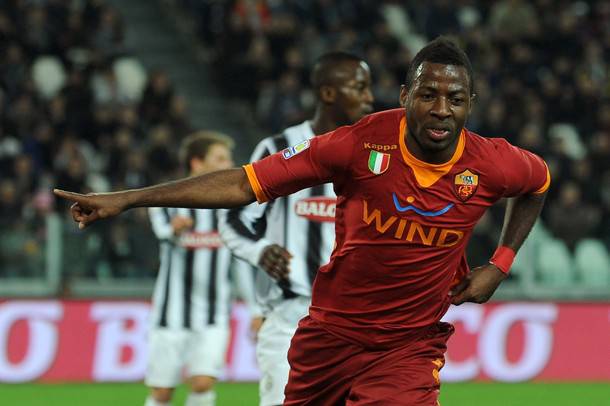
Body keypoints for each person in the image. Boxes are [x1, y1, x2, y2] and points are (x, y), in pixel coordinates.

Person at [55, 37, 550, 405]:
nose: (441, 110)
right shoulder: (359, 144)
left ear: (471, 104)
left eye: (455, 99)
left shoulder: (493, 163)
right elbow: (244, 184)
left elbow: (539, 184)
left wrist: (500, 263)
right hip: (330, 338)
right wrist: (129, 199)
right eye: (428, 95)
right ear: (405, 96)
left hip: (407, 347)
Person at [218, 51, 374, 406]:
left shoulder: (375, 155)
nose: (369, 97)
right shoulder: (278, 148)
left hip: (356, 320)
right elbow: (234, 218)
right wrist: (259, 250)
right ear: (328, 93)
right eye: (359, 87)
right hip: (291, 315)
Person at [144, 131, 256, 406]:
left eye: (228, 158)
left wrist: (254, 308)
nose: (229, 164)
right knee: (162, 392)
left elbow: (240, 262)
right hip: (171, 314)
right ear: (197, 163)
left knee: (203, 382)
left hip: (214, 314)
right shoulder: (167, 200)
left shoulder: (233, 207)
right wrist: (174, 230)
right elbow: (161, 231)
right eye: (220, 158)